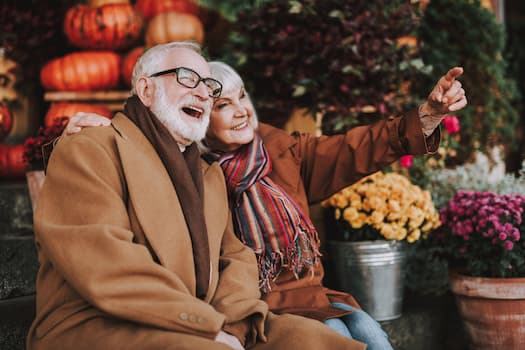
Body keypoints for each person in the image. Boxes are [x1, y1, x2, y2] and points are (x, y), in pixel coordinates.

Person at [63, 56, 467, 349]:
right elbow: (139, 142)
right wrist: (73, 132)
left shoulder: (279, 148)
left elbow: (353, 149)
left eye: (243, 99)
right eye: (224, 105)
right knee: (340, 339)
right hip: (257, 306)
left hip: (309, 296)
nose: (241, 113)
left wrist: (428, 114)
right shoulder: (194, 167)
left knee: (372, 335)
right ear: (203, 117)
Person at [27, 41, 368, 350]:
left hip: (201, 320)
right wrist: (205, 327)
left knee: (315, 341)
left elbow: (236, 258)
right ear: (146, 89)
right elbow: (105, 261)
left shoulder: (209, 173)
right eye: (187, 77)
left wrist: (232, 325)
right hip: (100, 324)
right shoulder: (91, 147)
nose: (205, 93)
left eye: (209, 85)